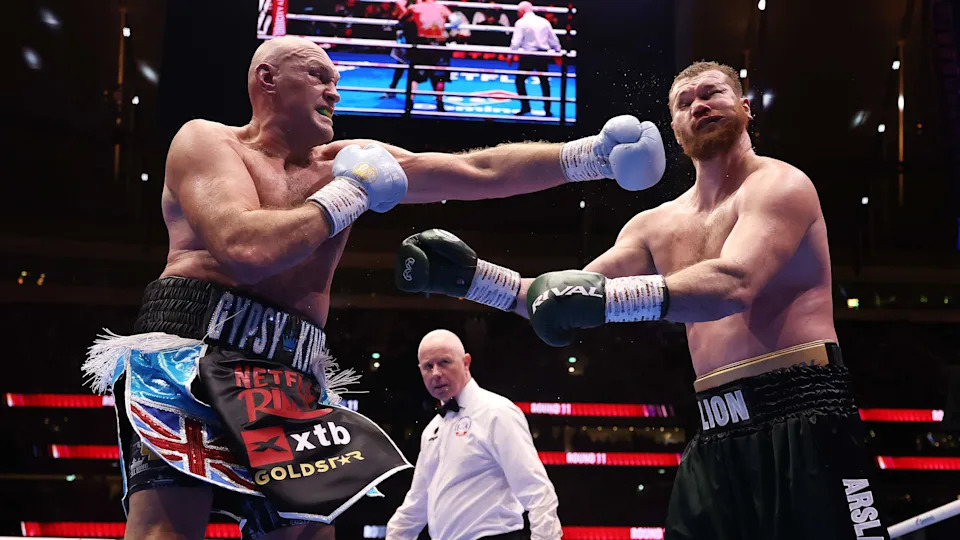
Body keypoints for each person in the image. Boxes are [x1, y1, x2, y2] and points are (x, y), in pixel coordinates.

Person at [81, 36, 665, 540]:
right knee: (167, 525)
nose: (335, 90)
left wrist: (589, 157)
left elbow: (475, 171)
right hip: (192, 348)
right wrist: (347, 194)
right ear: (267, 79)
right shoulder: (208, 142)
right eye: (318, 76)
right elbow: (246, 248)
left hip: (291, 368)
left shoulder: (345, 160)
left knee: (307, 530)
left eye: (337, 80)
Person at [395, 60, 890, 540]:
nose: (699, 104)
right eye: (684, 101)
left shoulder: (780, 185)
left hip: (804, 413)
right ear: (675, 129)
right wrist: (473, 278)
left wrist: (611, 300)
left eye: (712, 92)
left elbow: (734, 282)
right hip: (715, 427)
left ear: (744, 106)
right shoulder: (655, 225)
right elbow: (560, 297)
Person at [386, 329, 561, 539]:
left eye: (444, 362)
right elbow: (416, 505)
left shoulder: (496, 412)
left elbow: (537, 491)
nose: (436, 373)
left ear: (466, 362)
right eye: (428, 366)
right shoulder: (433, 429)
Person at [509, 2, 561, 117]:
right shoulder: (543, 21)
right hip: (542, 55)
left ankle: (525, 107)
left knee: (519, 80)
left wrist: (510, 56)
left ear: (522, 11)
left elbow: (515, 42)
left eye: (518, 12)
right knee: (544, 81)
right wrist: (558, 51)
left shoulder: (521, 23)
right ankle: (547, 109)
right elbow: (553, 39)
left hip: (528, 55)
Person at [402, 0, 453, 112]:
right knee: (440, 76)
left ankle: (409, 103)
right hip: (440, 44)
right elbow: (455, 21)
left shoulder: (415, 8)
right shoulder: (441, 7)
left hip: (423, 43)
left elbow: (402, 20)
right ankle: (440, 102)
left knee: (415, 76)